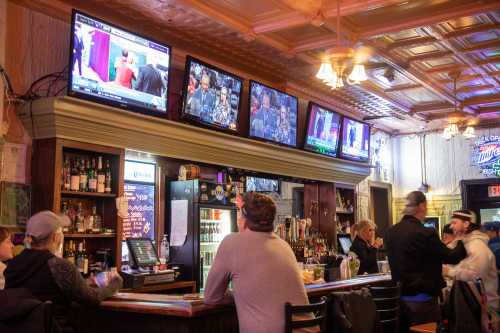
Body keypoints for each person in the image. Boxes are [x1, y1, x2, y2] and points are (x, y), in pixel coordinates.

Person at [204, 192, 314, 333]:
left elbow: (211, 297)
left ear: (244, 219)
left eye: (239, 213)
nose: (238, 219)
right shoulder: (284, 245)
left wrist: (237, 294)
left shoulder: (231, 243)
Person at [5, 211, 123, 331]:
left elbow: (38, 286)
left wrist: (83, 283)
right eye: (61, 231)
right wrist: (115, 283)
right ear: (55, 237)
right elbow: (92, 298)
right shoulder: (58, 266)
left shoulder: (13, 264)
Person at [385, 191, 467, 332]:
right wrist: (461, 237)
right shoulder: (425, 233)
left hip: (399, 299)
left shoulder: (390, 232)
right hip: (423, 299)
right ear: (422, 206)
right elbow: (452, 257)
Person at [445, 210, 498, 297]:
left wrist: (449, 271)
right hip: (471, 303)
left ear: (466, 224)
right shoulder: (464, 242)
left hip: (483, 306)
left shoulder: (477, 246)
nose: (451, 226)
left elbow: (476, 276)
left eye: (454, 223)